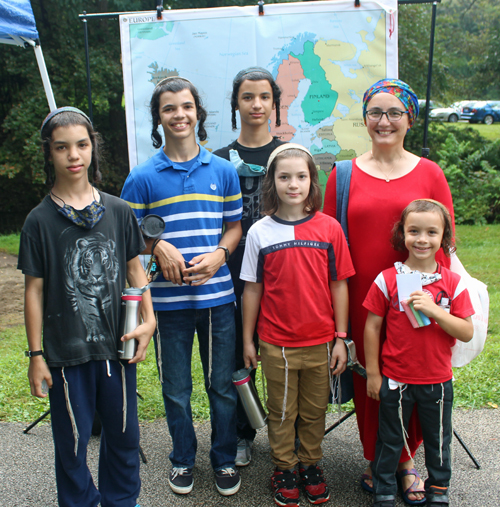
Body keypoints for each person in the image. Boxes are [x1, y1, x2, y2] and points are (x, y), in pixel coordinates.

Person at [322, 79, 455, 504]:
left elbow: (446, 243)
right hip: (362, 296)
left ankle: (404, 459)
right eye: (376, 112)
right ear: (365, 119)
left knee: (414, 377)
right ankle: (379, 456)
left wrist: (436, 300)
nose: (384, 121)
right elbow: (327, 243)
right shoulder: (342, 174)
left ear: (409, 119)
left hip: (418, 300)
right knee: (372, 380)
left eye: (395, 112)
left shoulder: (430, 173)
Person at [18, 107, 155, 507]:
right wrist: (35, 355)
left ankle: (120, 502)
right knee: (73, 445)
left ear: (93, 147)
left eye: (81, 144)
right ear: (50, 153)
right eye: (62, 148)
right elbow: (34, 291)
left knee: (125, 436)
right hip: (65, 355)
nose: (73, 155)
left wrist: (149, 322)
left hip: (117, 349)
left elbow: (135, 270)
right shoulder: (39, 221)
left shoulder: (118, 211)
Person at [120, 77, 243, 496]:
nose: (179, 115)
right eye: (169, 108)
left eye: (186, 106)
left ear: (198, 113)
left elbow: (234, 227)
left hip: (217, 301)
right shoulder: (141, 178)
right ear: (158, 117)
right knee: (176, 390)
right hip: (167, 306)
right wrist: (158, 245)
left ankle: (224, 459)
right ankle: (182, 460)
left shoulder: (224, 171)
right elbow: (126, 236)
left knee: (221, 386)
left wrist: (221, 255)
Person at [241, 144, 354, 507]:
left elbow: (339, 284)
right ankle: (284, 467)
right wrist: (248, 339)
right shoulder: (260, 232)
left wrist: (341, 338)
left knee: (313, 410)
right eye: (284, 176)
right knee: (282, 411)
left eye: (301, 176)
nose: (293, 184)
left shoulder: (329, 228)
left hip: (321, 342)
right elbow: (252, 289)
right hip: (276, 344)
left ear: (312, 181)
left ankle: (310, 465)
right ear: (272, 182)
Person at [363, 199, 474, 507]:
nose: (422, 239)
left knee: (439, 440)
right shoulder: (387, 279)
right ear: (403, 234)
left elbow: (466, 330)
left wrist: (435, 311)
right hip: (396, 379)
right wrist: (373, 373)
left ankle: (439, 489)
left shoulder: (452, 283)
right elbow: (372, 328)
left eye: (431, 232)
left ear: (444, 238)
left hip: (437, 380)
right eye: (414, 231)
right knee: (390, 438)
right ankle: (384, 489)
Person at [213, 66, 286, 466]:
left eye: (264, 97)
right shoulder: (220, 161)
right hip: (230, 277)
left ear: (275, 103)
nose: (256, 105)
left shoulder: (287, 157)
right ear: (236, 104)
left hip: (278, 278)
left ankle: (285, 433)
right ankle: (240, 433)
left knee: (276, 357)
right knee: (235, 361)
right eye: (247, 97)